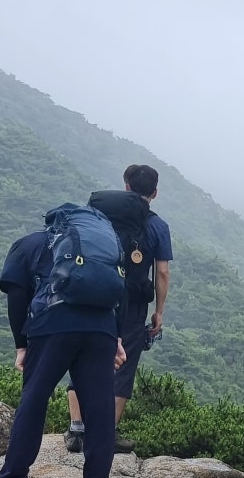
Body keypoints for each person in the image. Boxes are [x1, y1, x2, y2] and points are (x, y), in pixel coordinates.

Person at [0, 219, 126, 478]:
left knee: (35, 398)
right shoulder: (101, 249)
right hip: (101, 328)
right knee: (100, 408)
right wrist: (116, 337)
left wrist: (21, 344)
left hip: (52, 327)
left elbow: (16, 296)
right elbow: (122, 290)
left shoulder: (28, 244)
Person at [65, 164, 173, 454]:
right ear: (155, 193)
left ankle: (77, 428)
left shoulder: (100, 215)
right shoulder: (157, 226)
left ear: (126, 187)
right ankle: (106, 434)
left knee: (84, 355)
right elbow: (161, 272)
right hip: (134, 304)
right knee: (123, 367)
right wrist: (159, 311)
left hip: (95, 295)